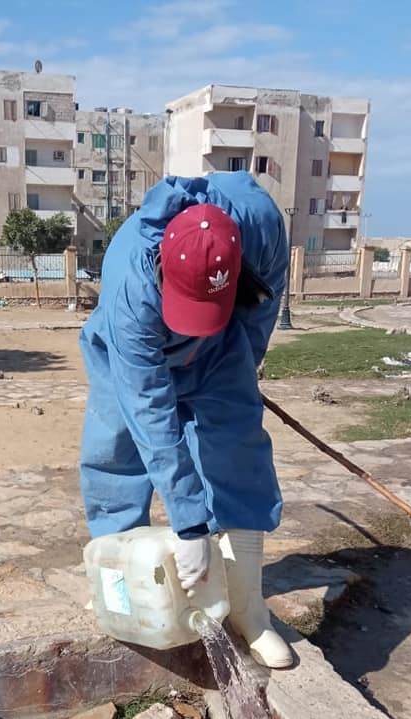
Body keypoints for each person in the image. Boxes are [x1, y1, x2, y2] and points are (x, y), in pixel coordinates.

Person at [79, 172, 292, 669]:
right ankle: (118, 586)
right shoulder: (131, 283)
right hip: (131, 353)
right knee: (117, 453)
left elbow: (264, 306)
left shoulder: (260, 224)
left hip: (222, 346)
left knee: (237, 451)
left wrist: (244, 364)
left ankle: (247, 609)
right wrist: (190, 524)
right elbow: (151, 415)